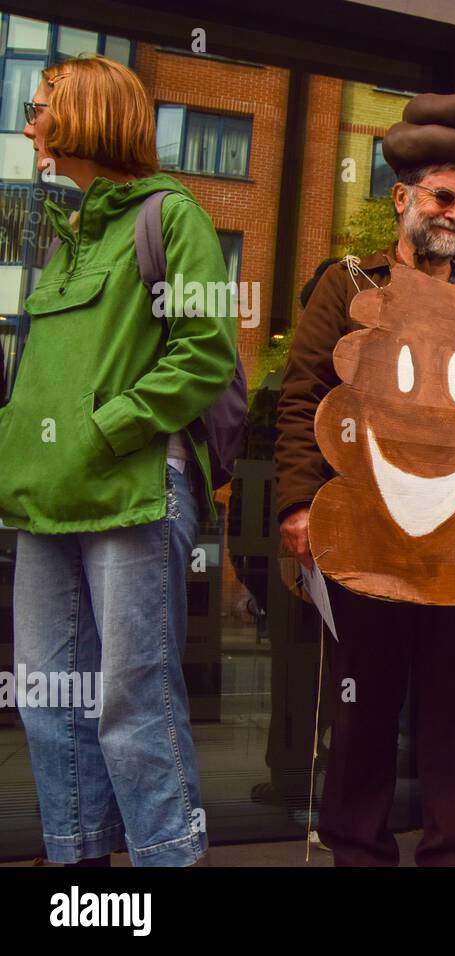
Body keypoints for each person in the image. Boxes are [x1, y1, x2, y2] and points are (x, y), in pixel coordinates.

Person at [0, 56, 237, 866]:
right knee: (49, 703)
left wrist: (103, 433)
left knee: (132, 703)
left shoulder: (172, 218)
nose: (30, 124)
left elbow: (205, 354)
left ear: (85, 116)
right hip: (47, 506)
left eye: (40, 109)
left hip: (135, 494)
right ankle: (85, 883)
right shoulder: (69, 241)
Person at [274, 93, 455, 866]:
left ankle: (454, 855)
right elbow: (301, 397)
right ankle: (358, 851)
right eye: (444, 198)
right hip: (368, 540)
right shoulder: (346, 285)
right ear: (403, 199)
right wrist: (294, 505)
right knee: (363, 711)